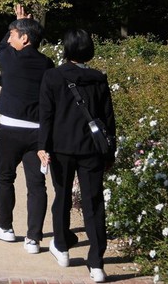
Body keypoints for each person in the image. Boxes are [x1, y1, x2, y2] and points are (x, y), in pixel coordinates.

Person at [0, 4, 53, 255]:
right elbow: (25, 83)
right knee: (37, 185)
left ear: (25, 38)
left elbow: (0, 48)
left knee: (5, 178)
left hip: (10, 130)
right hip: (38, 133)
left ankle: (5, 227)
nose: (9, 38)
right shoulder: (47, 64)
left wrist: (16, 20)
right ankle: (33, 239)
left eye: (13, 34)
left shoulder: (10, 56)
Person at [37, 29, 116, 283]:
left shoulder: (52, 76)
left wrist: (42, 147)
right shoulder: (98, 78)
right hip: (92, 150)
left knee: (62, 197)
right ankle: (97, 264)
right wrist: (109, 152)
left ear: (66, 49)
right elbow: (108, 119)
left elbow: (46, 116)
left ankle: (61, 248)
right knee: (93, 204)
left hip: (61, 148)